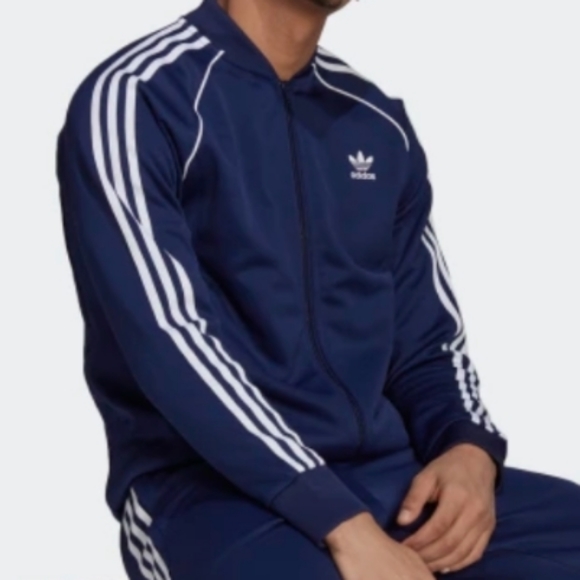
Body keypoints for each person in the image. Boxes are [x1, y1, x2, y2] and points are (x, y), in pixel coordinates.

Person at [56, 0, 580, 578]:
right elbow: (169, 342)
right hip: (208, 495)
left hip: (392, 481)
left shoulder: (373, 120)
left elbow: (426, 341)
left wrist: (468, 450)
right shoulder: (140, 98)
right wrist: (339, 521)